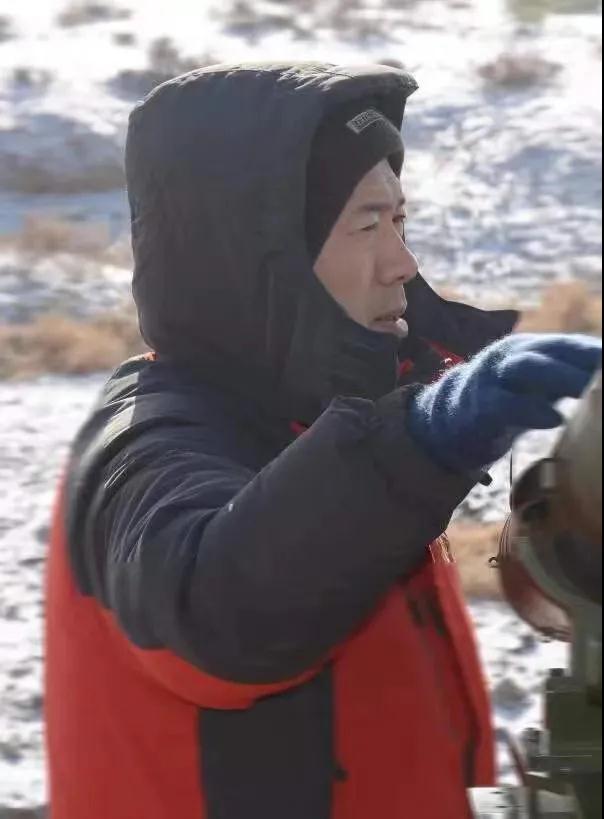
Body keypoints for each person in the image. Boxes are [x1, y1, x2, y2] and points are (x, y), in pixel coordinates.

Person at [44, 62, 602, 819]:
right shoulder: (145, 445)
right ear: (260, 260)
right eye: (367, 225)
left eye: (400, 222)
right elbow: (217, 607)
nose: (403, 262)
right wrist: (418, 444)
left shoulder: (321, 416)